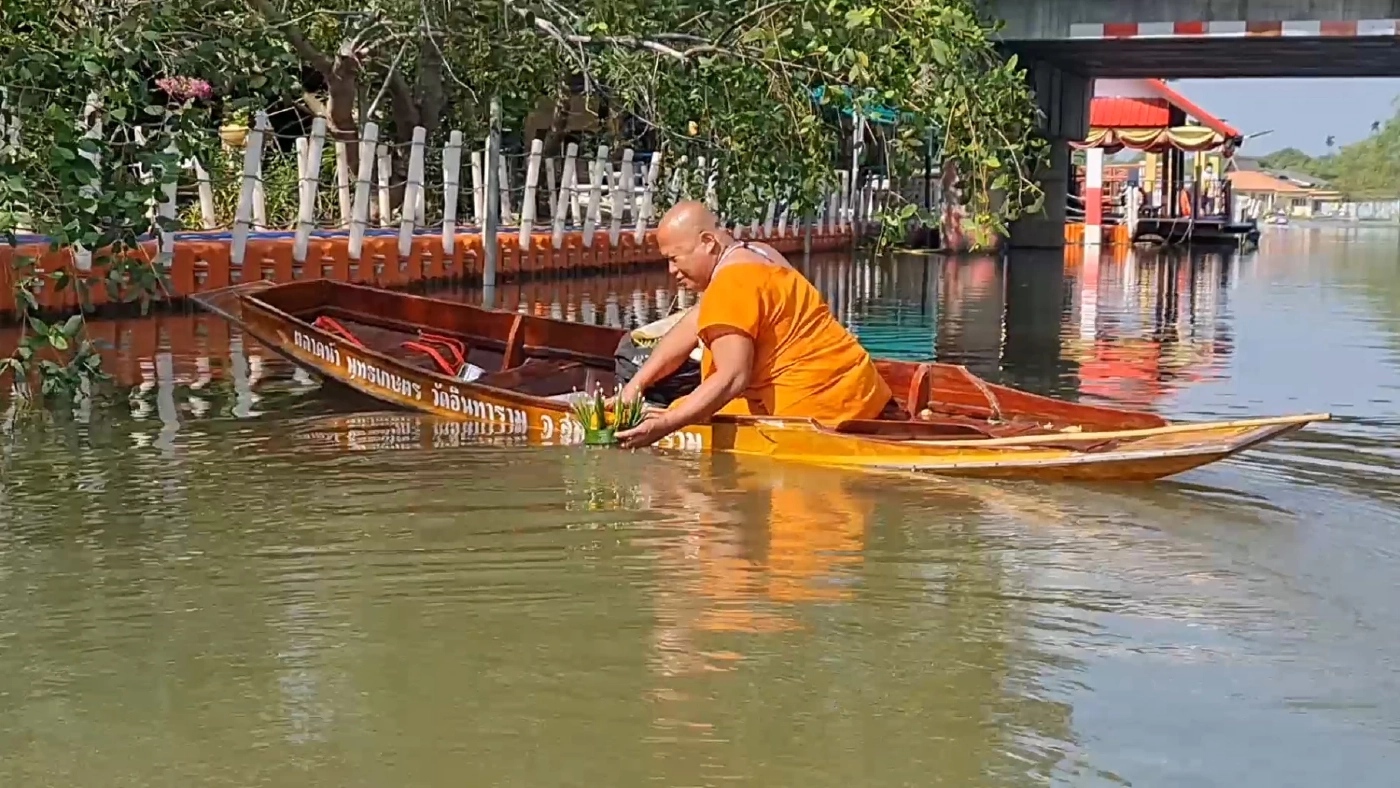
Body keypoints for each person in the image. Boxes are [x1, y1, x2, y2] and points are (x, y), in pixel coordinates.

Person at [615, 201, 895, 449]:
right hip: (862, 388)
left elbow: (732, 378)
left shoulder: (730, 284)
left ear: (708, 242)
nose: (671, 271)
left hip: (818, 412)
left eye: (674, 259)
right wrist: (635, 386)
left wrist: (665, 426)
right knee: (685, 406)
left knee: (677, 410)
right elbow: (694, 321)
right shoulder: (759, 253)